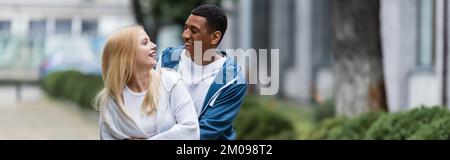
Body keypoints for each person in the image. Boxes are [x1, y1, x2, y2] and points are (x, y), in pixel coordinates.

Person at [157, 4, 248, 140]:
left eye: (194, 31)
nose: (185, 35)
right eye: (186, 27)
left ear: (215, 37)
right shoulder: (167, 59)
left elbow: (207, 130)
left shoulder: (232, 80)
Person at [97, 25, 199, 140]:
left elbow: (191, 131)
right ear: (127, 54)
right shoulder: (111, 100)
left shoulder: (171, 82)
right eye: (145, 43)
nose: (154, 45)